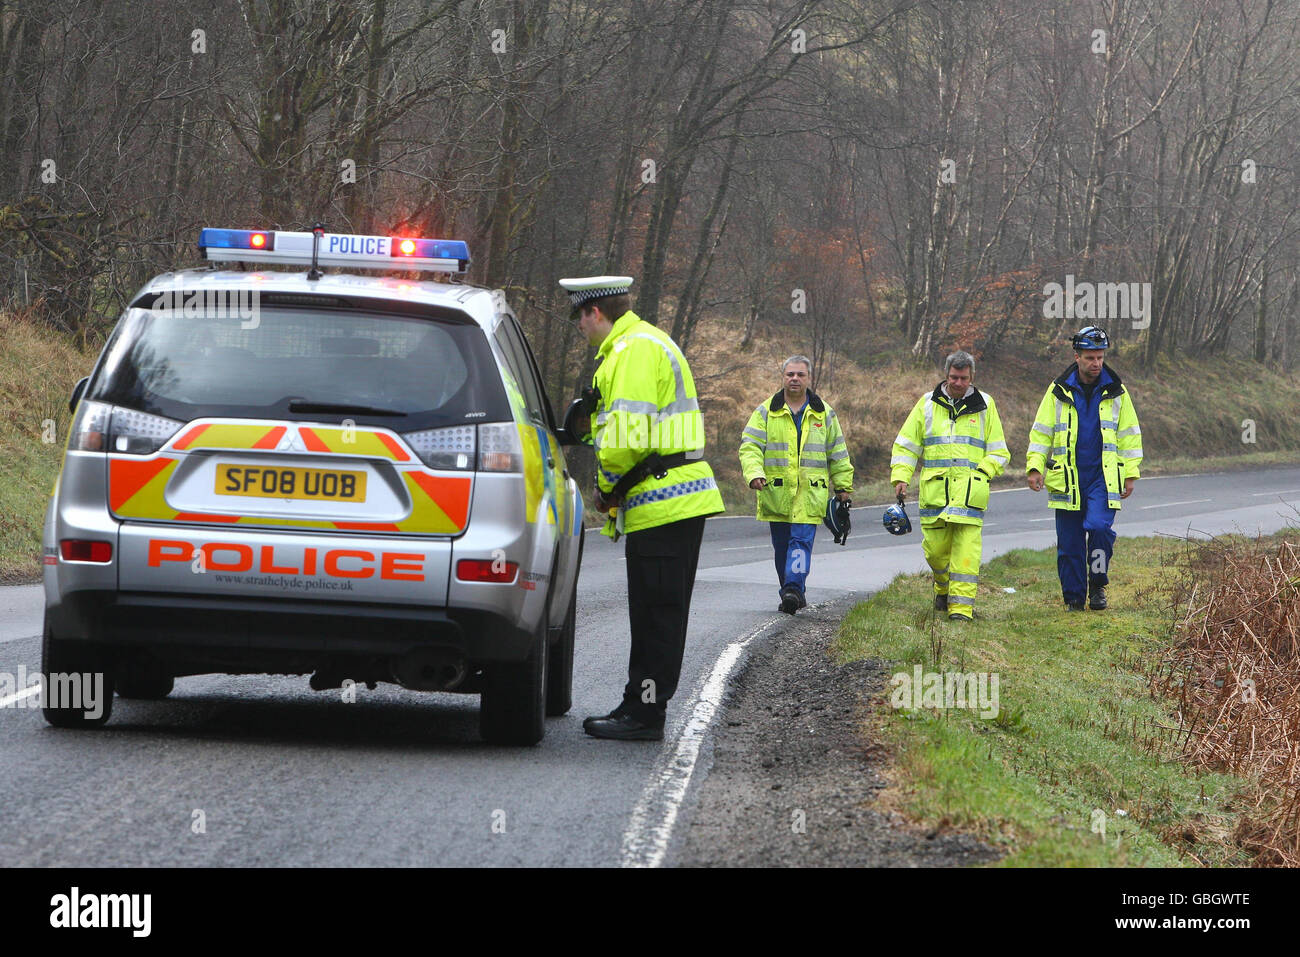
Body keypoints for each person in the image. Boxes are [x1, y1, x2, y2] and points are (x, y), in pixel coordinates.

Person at [560, 275, 725, 741]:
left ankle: (644, 713)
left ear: (595, 312)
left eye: (580, 319)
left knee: (656, 616)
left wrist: (605, 487)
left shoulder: (632, 350)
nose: (580, 329)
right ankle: (642, 706)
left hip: (663, 502)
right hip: (668, 501)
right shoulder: (642, 343)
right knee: (658, 613)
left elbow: (624, 440)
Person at [1025, 326, 1142, 611]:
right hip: (1067, 477)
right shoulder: (1057, 391)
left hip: (1103, 477)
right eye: (1090, 357)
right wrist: (1035, 467)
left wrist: (1130, 472)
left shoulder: (1117, 391)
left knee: (1099, 528)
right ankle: (1074, 598)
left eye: (1100, 357)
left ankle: (1098, 583)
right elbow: (1042, 432)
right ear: (1076, 356)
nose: (1096, 363)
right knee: (1070, 543)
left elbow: (1129, 434)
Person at [891, 351, 1011, 621]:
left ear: (972, 378)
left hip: (970, 496)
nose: (958, 383)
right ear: (946, 376)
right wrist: (901, 475)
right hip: (935, 496)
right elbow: (907, 445)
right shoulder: (926, 405)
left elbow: (999, 451)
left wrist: (983, 470)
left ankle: (961, 611)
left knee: (966, 557)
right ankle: (942, 588)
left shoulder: (986, 405)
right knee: (935, 554)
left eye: (964, 378)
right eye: (954, 377)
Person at [738, 355, 853, 614]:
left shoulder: (825, 413)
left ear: (808, 378)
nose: (794, 379)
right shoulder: (766, 411)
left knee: (799, 543)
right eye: (790, 374)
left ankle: (793, 588)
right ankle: (791, 590)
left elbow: (838, 452)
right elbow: (750, 446)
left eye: (800, 374)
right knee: (782, 548)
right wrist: (754, 473)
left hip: (810, 494)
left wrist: (843, 487)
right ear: (783, 376)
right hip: (776, 493)